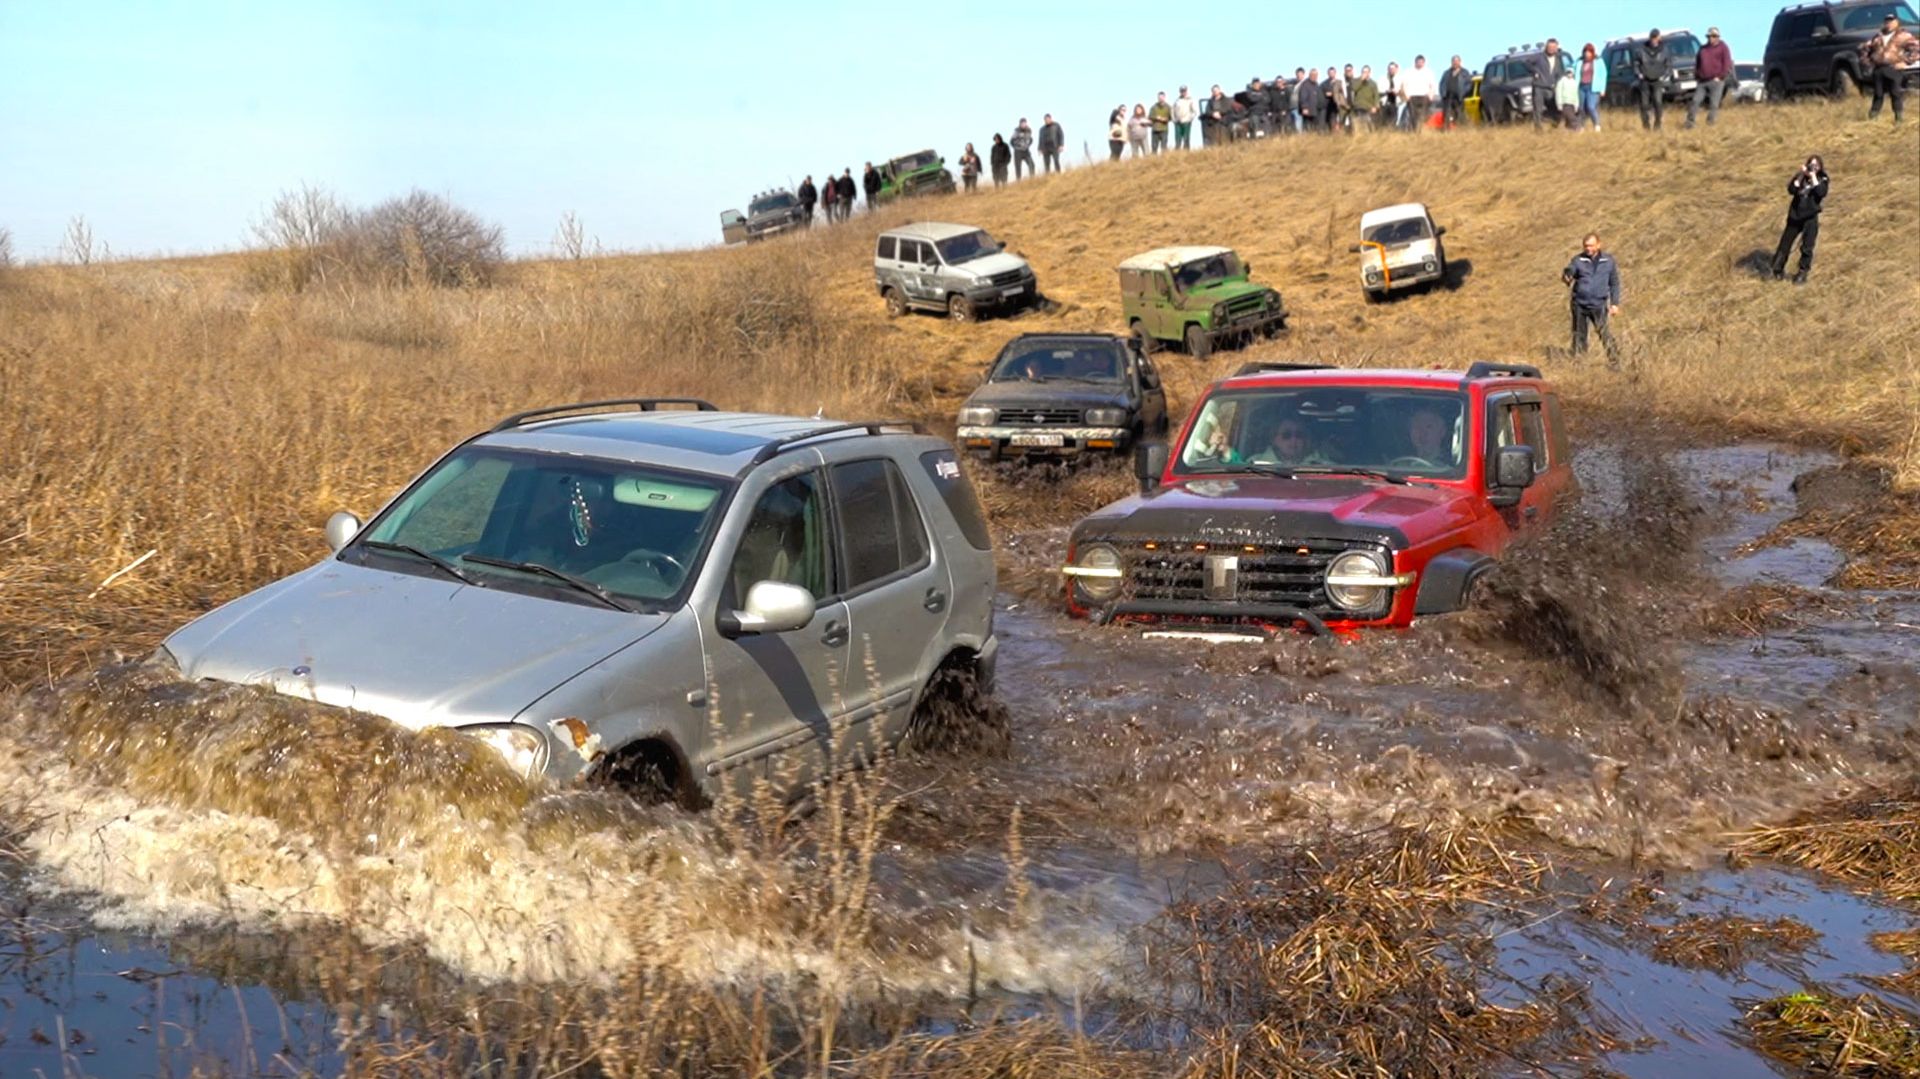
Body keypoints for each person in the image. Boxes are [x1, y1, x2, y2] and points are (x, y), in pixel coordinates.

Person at [1562, 233, 1622, 365]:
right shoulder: (1578, 260)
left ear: (1598, 245)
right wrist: (1567, 276)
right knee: (1579, 336)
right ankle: (1580, 363)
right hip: (1580, 305)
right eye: (1586, 246)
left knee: (1604, 333)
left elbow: (1614, 283)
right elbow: (1570, 271)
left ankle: (1615, 361)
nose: (1588, 249)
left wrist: (1614, 303)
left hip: (1598, 305)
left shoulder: (1608, 261)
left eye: (1591, 246)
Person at [1771, 155, 1829, 284]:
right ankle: (1777, 270)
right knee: (1785, 244)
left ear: (1820, 167)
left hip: (1810, 217)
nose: (1813, 168)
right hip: (1795, 216)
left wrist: (1813, 177)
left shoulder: (1822, 178)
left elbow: (1821, 193)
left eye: (1816, 166)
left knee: (1807, 246)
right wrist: (1801, 175)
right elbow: (1791, 190)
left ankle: (1802, 272)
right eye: (1811, 165)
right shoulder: (1801, 176)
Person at [1861, 12, 1918, 124]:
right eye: (1887, 21)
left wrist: (1906, 62)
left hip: (1894, 69)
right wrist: (1868, 63)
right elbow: (1865, 49)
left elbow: (1916, 49)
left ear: (1897, 22)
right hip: (1879, 69)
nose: (1889, 23)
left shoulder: (1904, 35)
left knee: (1895, 93)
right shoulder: (1878, 36)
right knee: (1878, 94)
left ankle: (1898, 118)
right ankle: (1872, 117)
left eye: (1891, 21)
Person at [1688, 27, 1733, 128]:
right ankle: (1690, 122)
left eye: (1714, 36)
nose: (1711, 38)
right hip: (1702, 81)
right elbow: (1697, 63)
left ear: (1718, 37)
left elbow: (1727, 64)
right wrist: (1697, 75)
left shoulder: (1723, 47)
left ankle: (1710, 123)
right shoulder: (1702, 49)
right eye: (1709, 36)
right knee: (1695, 101)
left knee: (1714, 104)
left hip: (1716, 81)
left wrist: (1720, 77)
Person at [1249, 413, 1328, 466]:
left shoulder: (1324, 466)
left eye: (1299, 435)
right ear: (1274, 439)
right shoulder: (1253, 464)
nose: (1293, 440)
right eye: (1286, 435)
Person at [1634, 29, 1672, 130]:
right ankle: (1646, 125)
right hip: (1645, 80)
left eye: (1656, 37)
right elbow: (1636, 64)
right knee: (1644, 104)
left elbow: (1668, 65)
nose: (1654, 40)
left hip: (1658, 80)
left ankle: (1657, 124)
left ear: (1659, 38)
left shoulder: (1664, 50)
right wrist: (1639, 74)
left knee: (1658, 102)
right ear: (1650, 38)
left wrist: (1664, 76)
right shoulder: (1642, 50)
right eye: (1652, 37)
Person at [1529, 39, 1569, 128]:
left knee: (1556, 107)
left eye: (1554, 47)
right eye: (1550, 47)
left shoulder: (1558, 58)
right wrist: (1534, 72)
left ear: (1557, 48)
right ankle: (1538, 129)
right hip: (1539, 86)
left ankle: (1555, 126)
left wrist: (1560, 82)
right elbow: (1526, 62)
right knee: (1538, 109)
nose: (1551, 49)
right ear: (1546, 47)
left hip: (1551, 87)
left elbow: (1560, 72)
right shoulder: (1539, 56)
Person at [1402, 55, 1438, 130]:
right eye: (1418, 62)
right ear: (1415, 62)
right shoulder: (1409, 72)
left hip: (1424, 96)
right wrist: (1406, 96)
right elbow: (1404, 84)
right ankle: (1414, 130)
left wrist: (1431, 96)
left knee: (1423, 115)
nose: (1420, 64)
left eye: (1421, 62)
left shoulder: (1428, 72)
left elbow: (1432, 85)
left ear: (1424, 63)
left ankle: (1421, 129)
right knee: (1413, 115)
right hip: (1412, 96)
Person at [1439, 56, 1472, 129]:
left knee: (1459, 114)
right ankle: (1447, 130)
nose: (1455, 63)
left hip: (1459, 98)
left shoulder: (1465, 72)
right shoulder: (1446, 73)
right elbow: (1442, 84)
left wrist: (1463, 93)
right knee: (1447, 115)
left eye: (1457, 61)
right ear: (1451, 62)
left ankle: (1460, 129)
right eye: (1454, 61)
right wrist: (1443, 94)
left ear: (1460, 62)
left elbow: (1469, 85)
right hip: (1448, 97)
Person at [1577, 44, 1603, 130]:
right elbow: (1572, 69)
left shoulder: (1598, 61)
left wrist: (1602, 89)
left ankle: (1597, 125)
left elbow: (1603, 75)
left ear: (1592, 53)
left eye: (1589, 52)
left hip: (1593, 87)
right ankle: (1581, 126)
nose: (1587, 54)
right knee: (1581, 108)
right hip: (1581, 87)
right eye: (1585, 52)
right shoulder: (1579, 61)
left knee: (1591, 107)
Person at [1297, 68, 1324, 133]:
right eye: (1313, 75)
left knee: (1315, 128)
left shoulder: (1316, 84)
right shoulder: (1305, 84)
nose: (1315, 77)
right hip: (1308, 111)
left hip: (1315, 110)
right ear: (1310, 75)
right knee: (1307, 128)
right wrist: (1304, 107)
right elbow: (1303, 97)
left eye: (1316, 75)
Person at [1323, 66, 1348, 132]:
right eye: (1330, 73)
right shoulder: (1324, 83)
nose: (1331, 74)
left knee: (1342, 122)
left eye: (1333, 73)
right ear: (1328, 74)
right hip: (1329, 106)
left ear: (1335, 73)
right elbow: (1323, 93)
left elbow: (1343, 93)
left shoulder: (1340, 82)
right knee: (1332, 122)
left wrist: (1333, 94)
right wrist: (1326, 94)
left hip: (1340, 105)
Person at [1384, 61, 1402, 127]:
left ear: (1396, 69)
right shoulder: (1383, 79)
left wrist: (1397, 91)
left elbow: (1403, 90)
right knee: (1384, 122)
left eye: (1393, 69)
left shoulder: (1400, 79)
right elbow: (1379, 90)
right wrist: (1387, 91)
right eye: (1390, 69)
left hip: (1396, 104)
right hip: (1385, 103)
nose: (1391, 70)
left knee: (1394, 122)